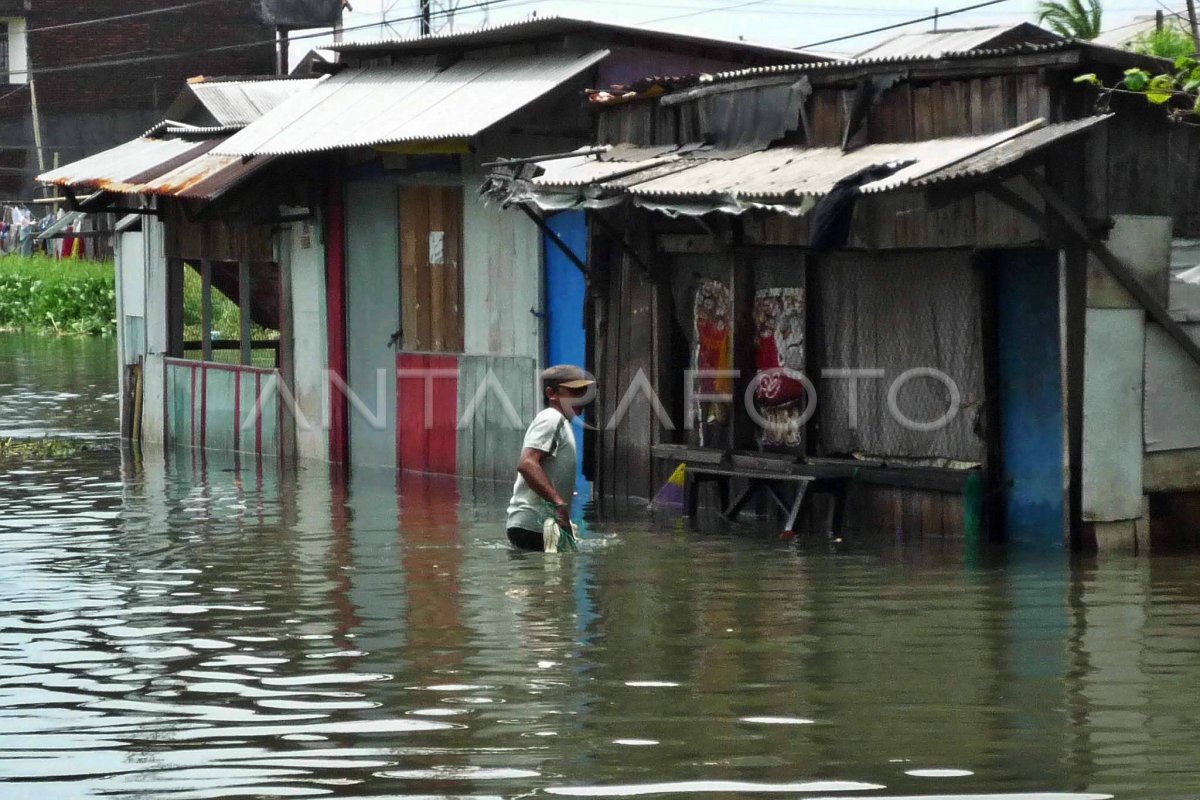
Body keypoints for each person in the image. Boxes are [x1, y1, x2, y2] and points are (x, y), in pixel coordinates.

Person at [506, 364, 594, 551]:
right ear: (551, 393)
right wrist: (558, 503)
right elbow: (527, 464)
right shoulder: (552, 418)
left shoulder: (562, 422)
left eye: (584, 391)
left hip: (538, 526)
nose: (582, 397)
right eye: (575, 391)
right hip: (534, 527)